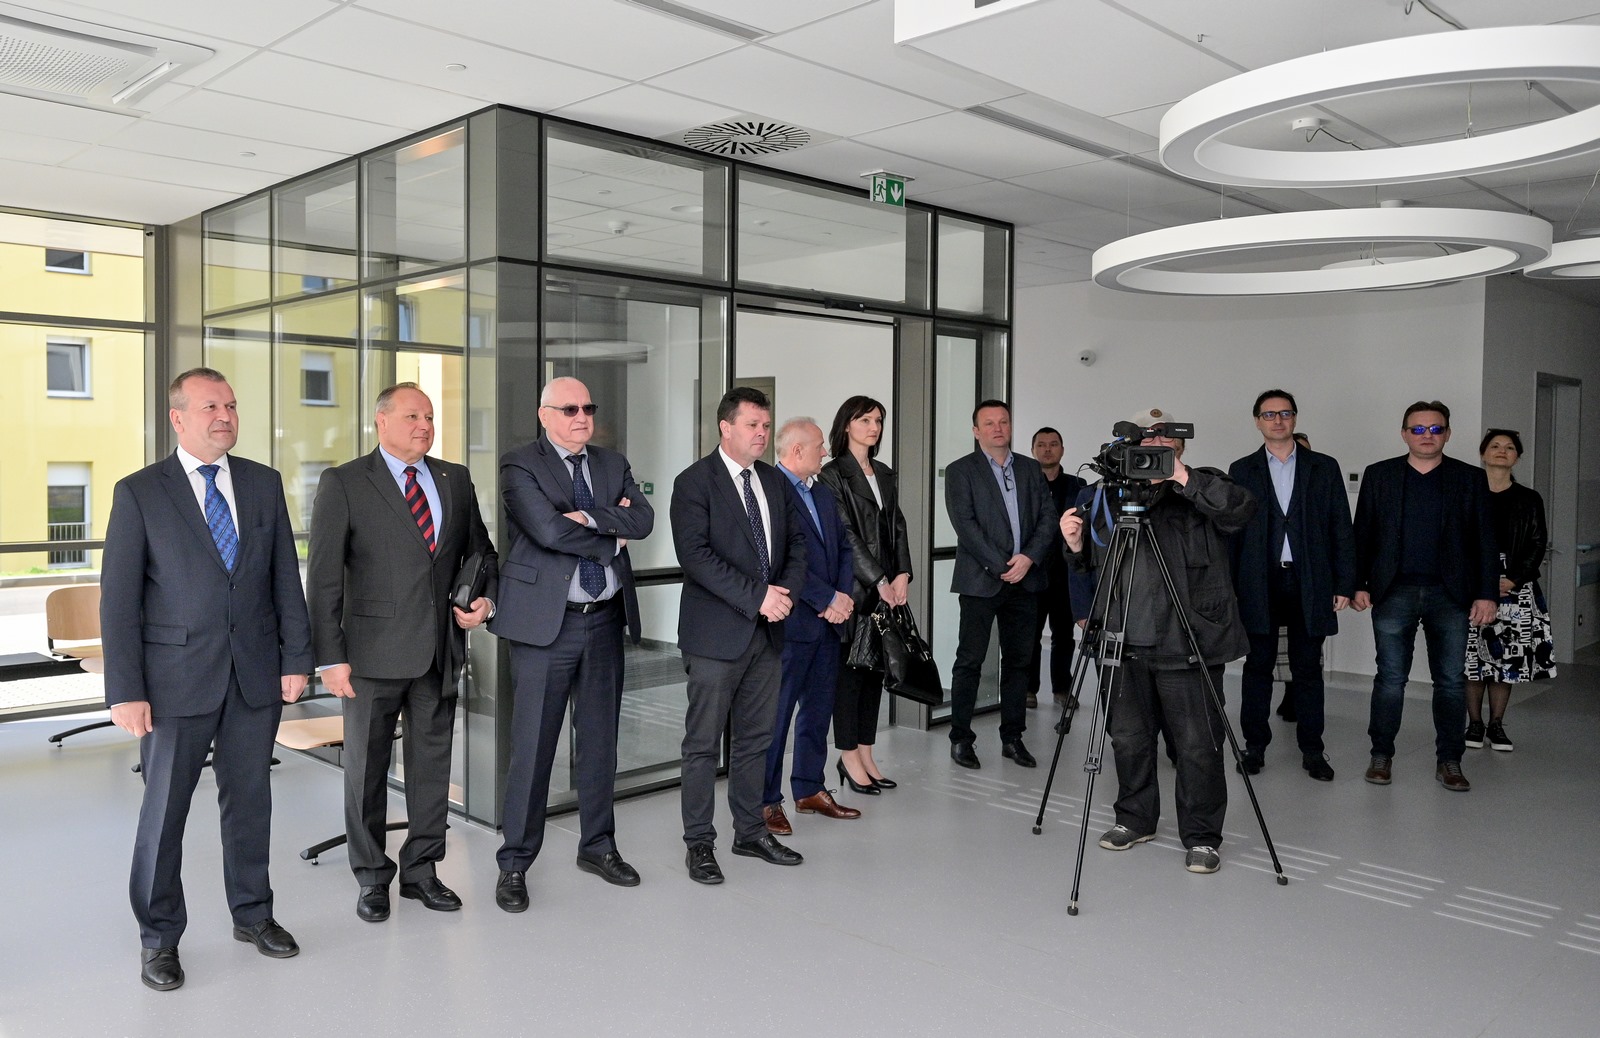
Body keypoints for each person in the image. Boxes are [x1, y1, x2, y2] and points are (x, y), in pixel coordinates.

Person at [101, 367, 313, 991]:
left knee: (250, 804)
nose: (225, 416)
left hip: (253, 676)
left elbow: (284, 577)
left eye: (231, 406)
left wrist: (296, 658)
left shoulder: (262, 483)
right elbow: (119, 601)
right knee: (164, 814)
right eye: (210, 407)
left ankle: (253, 915)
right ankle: (159, 939)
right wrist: (126, 689)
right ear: (178, 418)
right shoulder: (140, 492)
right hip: (173, 681)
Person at [307, 382, 498, 921]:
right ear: (382, 421)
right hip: (369, 656)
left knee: (432, 768)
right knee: (365, 770)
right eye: (413, 416)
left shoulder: (454, 479)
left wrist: (485, 601)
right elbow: (323, 578)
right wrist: (330, 657)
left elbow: (482, 553)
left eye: (430, 417)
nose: (425, 426)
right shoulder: (345, 482)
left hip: (439, 650)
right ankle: (371, 876)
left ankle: (422, 872)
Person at [1062, 407, 1256, 874]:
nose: (1153, 452)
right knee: (1128, 739)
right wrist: (1074, 546)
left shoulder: (1204, 485)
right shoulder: (1106, 495)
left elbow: (1239, 511)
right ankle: (1135, 819)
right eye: (1145, 444)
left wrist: (1181, 477)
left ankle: (1202, 836)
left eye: (1164, 444)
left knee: (1197, 746)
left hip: (1188, 640)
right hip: (1122, 638)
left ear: (1181, 449)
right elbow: (1093, 565)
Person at [487, 377, 655, 912]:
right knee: (534, 747)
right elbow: (547, 532)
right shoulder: (520, 465)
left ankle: (598, 847)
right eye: (569, 409)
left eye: (588, 407)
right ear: (544, 415)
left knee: (601, 744)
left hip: (603, 621)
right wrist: (611, 533)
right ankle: (515, 862)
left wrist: (588, 517)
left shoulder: (611, 462)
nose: (582, 416)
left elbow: (644, 519)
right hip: (545, 627)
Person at [671, 386, 808, 883]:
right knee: (702, 746)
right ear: (725, 427)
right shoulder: (694, 482)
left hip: (767, 635)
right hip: (715, 637)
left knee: (755, 740)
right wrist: (758, 597)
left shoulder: (773, 481)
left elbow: (797, 544)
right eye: (753, 425)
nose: (762, 434)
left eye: (766, 426)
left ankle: (750, 832)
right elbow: (696, 557)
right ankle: (699, 844)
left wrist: (783, 594)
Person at [1353, 400, 1497, 792]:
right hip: (1393, 591)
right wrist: (1358, 583)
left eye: (1435, 429)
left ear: (1447, 434)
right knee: (1390, 678)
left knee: (1449, 681)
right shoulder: (1380, 475)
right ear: (1404, 434)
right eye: (1418, 429)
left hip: (1450, 595)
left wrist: (1486, 594)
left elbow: (1485, 540)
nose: (1427, 435)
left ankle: (1450, 760)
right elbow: (1362, 533)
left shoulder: (1470, 479)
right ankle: (1380, 755)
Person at [1228, 391, 1354, 782]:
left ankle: (1312, 751)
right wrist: (1231, 587)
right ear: (1257, 421)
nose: (1278, 420)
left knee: (1308, 668)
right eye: (1269, 414)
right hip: (1259, 581)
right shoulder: (1242, 469)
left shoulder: (1323, 466)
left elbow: (1340, 526)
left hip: (1309, 580)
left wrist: (1344, 582)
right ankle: (1254, 748)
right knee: (1258, 667)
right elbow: (1233, 532)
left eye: (1285, 413)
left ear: (1295, 418)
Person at [944, 399, 1057, 769]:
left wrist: (1028, 559)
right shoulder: (961, 471)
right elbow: (965, 525)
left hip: (1026, 580)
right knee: (969, 662)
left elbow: (1048, 518)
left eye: (1003, 422)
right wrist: (1002, 565)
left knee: (1019, 663)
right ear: (976, 431)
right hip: (981, 581)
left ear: (1011, 426)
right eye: (989, 423)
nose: (998, 428)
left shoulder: (1030, 467)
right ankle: (961, 739)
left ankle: (1013, 738)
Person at [760, 417, 859, 836]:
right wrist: (826, 599)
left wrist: (843, 596)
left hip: (828, 625)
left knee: (818, 713)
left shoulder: (819, 490)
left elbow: (844, 547)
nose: (826, 452)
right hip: (792, 623)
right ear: (797, 450)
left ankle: (809, 789)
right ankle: (766, 801)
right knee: (776, 717)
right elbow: (780, 559)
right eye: (819, 446)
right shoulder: (770, 489)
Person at [817, 395, 913, 794]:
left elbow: (897, 526)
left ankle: (867, 753)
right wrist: (879, 580)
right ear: (847, 425)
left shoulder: (884, 472)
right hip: (855, 588)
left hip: (886, 587)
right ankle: (848, 756)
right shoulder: (832, 474)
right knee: (851, 676)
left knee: (875, 672)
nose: (874, 427)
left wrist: (903, 573)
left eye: (878, 420)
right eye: (865, 420)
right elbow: (845, 534)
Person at [1464, 428, 1556, 751]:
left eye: (1509, 447)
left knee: (1508, 660)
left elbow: (1537, 543)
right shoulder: (1467, 494)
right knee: (1473, 658)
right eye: (1495, 446)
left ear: (1517, 457)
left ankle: (1496, 725)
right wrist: (1478, 580)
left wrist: (1514, 578)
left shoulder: (1529, 499)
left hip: (1516, 588)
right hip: (1473, 587)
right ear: (1483, 453)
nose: (1502, 451)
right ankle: (1474, 724)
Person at [1026, 426, 1086, 709]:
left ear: (1062, 449)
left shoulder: (1078, 485)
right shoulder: (1025, 485)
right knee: (1031, 635)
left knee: (1064, 636)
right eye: (1041, 444)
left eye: (1053, 444)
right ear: (1033, 450)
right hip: (1033, 571)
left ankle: (1062, 688)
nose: (1047, 449)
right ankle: (1028, 689)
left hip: (1066, 573)